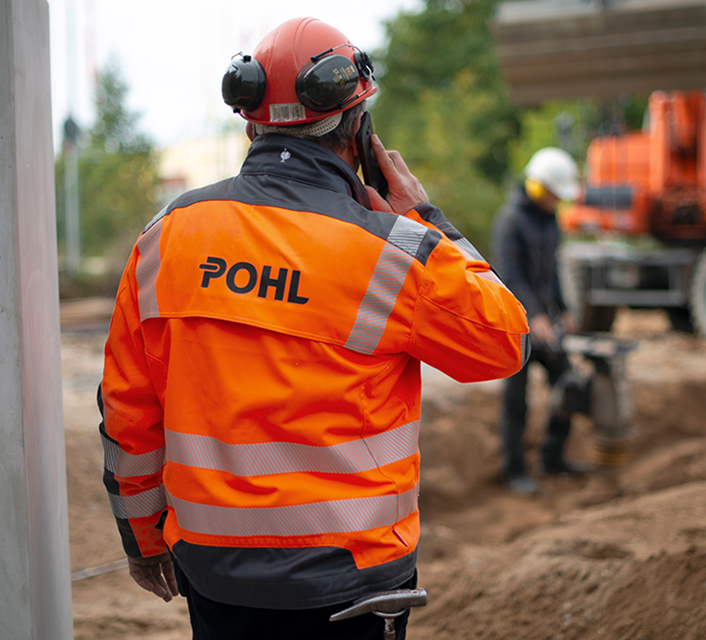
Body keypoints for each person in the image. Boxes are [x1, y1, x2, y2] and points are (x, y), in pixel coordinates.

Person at [97, 17, 530, 640]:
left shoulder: (167, 237)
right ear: (359, 127)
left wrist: (142, 540)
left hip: (215, 577)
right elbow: (508, 340)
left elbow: (126, 413)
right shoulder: (396, 252)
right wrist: (426, 218)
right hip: (351, 584)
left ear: (252, 123)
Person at [492, 147, 585, 496]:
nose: (558, 201)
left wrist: (564, 309)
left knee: (569, 384)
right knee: (516, 402)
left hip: (546, 326)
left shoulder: (551, 222)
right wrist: (534, 315)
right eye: (555, 195)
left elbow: (553, 272)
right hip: (517, 327)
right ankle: (513, 470)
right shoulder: (510, 222)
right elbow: (509, 277)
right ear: (537, 187)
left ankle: (552, 457)